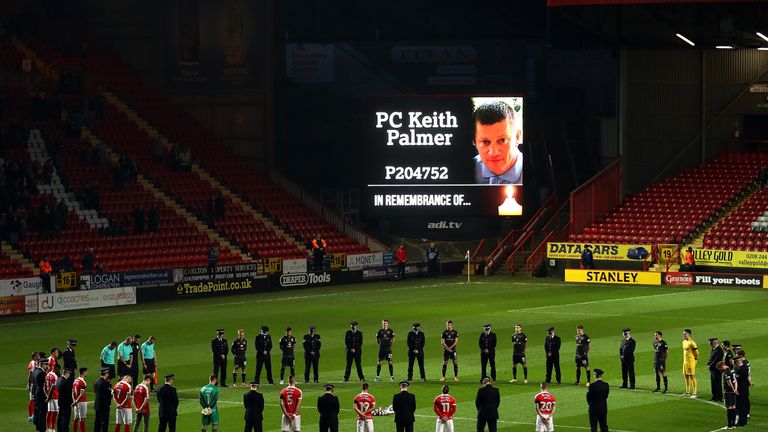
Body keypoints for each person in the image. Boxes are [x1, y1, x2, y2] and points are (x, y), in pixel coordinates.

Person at [472, 100, 523, 184]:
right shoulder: (464, 171)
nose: (493, 153)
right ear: (475, 141)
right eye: (485, 142)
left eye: (502, 140)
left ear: (517, 137)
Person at [719, 361, 738, 429]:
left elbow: (729, 382)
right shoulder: (732, 370)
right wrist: (735, 389)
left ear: (722, 366)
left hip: (728, 392)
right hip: (733, 392)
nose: (720, 370)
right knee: (733, 407)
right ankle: (733, 425)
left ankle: (729, 425)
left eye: (720, 368)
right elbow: (735, 380)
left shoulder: (726, 372)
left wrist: (733, 390)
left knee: (729, 408)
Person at [92, 367, 112, 432]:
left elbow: (95, 391)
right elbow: (109, 395)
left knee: (97, 423)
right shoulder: (106, 383)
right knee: (104, 424)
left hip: (97, 405)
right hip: (104, 406)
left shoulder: (96, 382)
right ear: (106, 374)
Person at [33, 356, 49, 432]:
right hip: (41, 395)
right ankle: (42, 428)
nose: (47, 366)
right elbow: (44, 386)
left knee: (38, 410)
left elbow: (34, 384)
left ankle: (38, 426)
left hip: (36, 393)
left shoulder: (35, 371)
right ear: (43, 364)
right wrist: (47, 396)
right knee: (42, 412)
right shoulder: (42, 373)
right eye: (46, 364)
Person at [734, 355, 751, 426]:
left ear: (737, 362)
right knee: (743, 406)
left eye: (735, 362)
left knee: (741, 407)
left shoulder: (741, 369)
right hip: (744, 390)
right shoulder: (745, 367)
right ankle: (743, 421)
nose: (734, 364)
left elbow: (737, 379)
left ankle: (742, 422)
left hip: (741, 391)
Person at [682, 328, 699, 398]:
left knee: (692, 376)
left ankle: (694, 393)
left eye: (685, 334)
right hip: (685, 361)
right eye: (683, 334)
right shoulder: (683, 342)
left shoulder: (692, 343)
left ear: (689, 334)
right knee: (686, 376)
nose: (683, 335)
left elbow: (697, 353)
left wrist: (695, 360)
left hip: (691, 362)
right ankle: (687, 392)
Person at [707, 337, 724, 402]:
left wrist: (710, 365)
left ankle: (719, 397)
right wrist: (708, 363)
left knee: (718, 383)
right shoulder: (713, 349)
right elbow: (711, 358)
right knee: (713, 383)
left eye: (711, 343)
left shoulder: (719, 350)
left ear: (715, 343)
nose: (710, 345)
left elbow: (716, 360)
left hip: (717, 370)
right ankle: (714, 396)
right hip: (712, 370)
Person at [56, 367, 73, 432]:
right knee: (66, 419)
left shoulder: (59, 379)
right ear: (66, 373)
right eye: (69, 373)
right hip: (66, 403)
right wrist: (72, 401)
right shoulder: (66, 382)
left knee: (60, 417)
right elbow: (69, 393)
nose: (69, 375)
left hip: (60, 401)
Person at [45, 363, 60, 432]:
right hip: (54, 396)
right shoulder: (54, 376)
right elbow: (52, 387)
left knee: (51, 412)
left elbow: (44, 386)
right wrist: (49, 397)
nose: (59, 371)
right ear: (56, 368)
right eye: (58, 370)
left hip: (50, 396)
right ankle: (51, 428)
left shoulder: (48, 374)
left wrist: (47, 395)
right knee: (54, 412)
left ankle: (50, 428)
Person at [72, 367, 88, 432]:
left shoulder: (75, 380)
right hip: (82, 402)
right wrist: (76, 401)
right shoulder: (83, 382)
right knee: (82, 419)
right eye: (86, 372)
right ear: (83, 372)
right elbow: (81, 394)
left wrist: (74, 401)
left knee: (76, 418)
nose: (87, 373)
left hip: (76, 402)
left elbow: (72, 392)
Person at [27, 351, 40, 423]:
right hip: (33, 384)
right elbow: (30, 375)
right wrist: (29, 384)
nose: (39, 356)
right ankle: (30, 416)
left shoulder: (37, 363)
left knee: (35, 400)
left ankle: (34, 415)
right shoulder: (32, 363)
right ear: (34, 357)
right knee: (32, 399)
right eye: (38, 355)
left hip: (36, 384)